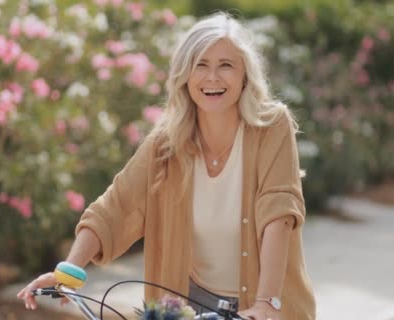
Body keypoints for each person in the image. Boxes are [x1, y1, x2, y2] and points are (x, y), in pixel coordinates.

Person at [17, 12, 315, 320]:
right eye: (201, 64)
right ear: (185, 75)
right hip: (186, 305)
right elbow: (115, 206)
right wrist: (67, 273)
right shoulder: (166, 142)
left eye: (226, 65)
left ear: (245, 76)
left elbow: (278, 213)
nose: (212, 77)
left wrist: (267, 302)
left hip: (263, 306)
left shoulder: (270, 126)